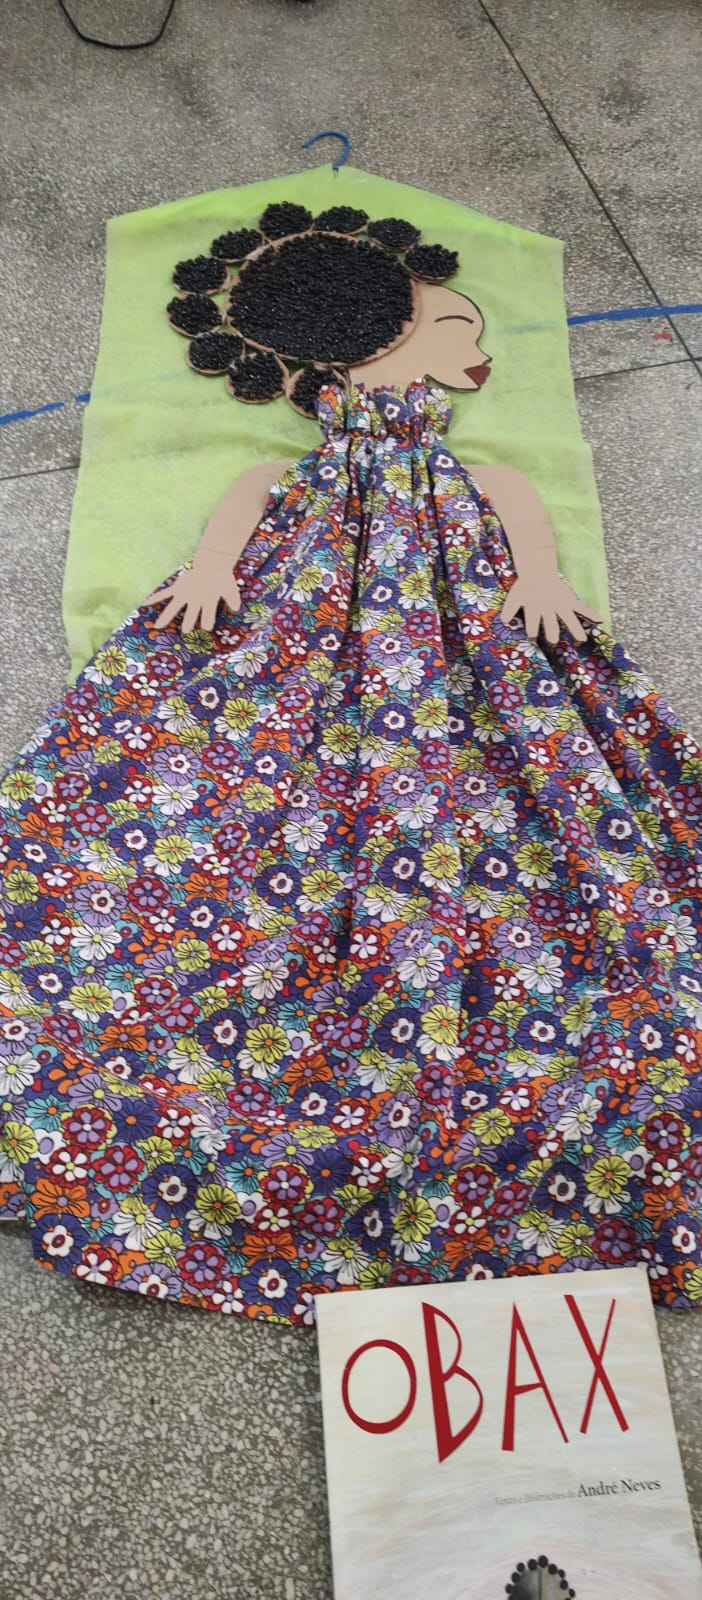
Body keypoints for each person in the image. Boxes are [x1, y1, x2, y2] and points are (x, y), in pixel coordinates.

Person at [0, 208, 700, 1322]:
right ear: (375, 337)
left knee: (521, 763)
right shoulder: (309, 469)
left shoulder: (456, 466)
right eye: (455, 329)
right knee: (230, 763)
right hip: (299, 611)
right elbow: (252, 497)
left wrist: (540, 578)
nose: (474, 351)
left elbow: (512, 496)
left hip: (466, 620)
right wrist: (214, 572)